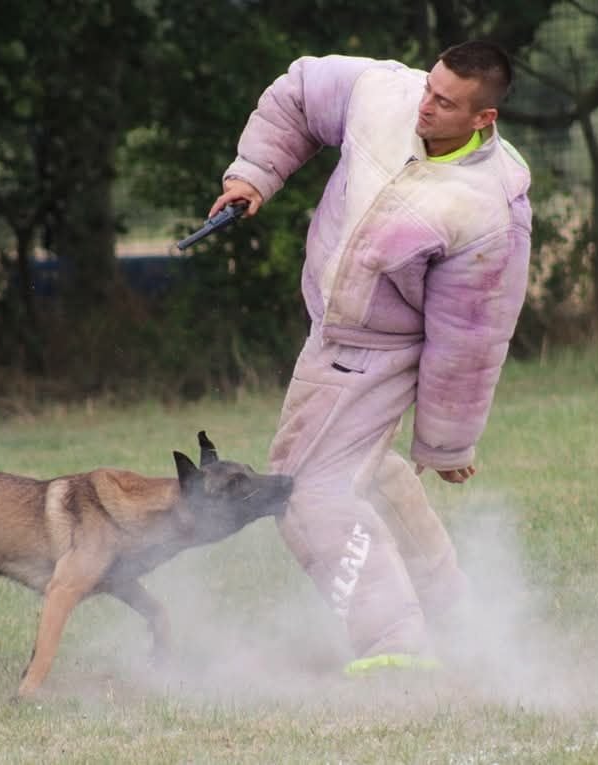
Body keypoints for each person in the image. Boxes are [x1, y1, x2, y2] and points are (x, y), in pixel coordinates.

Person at [209, 41, 532, 672]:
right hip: (329, 331)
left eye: (445, 102)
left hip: (378, 354)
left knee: (305, 492)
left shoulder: (488, 209)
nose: (425, 106)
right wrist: (254, 174)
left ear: (483, 118)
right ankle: (453, 615)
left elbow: (471, 336)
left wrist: (446, 443)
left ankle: (393, 643)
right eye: (429, 87)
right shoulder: (382, 91)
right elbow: (301, 92)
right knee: (366, 470)